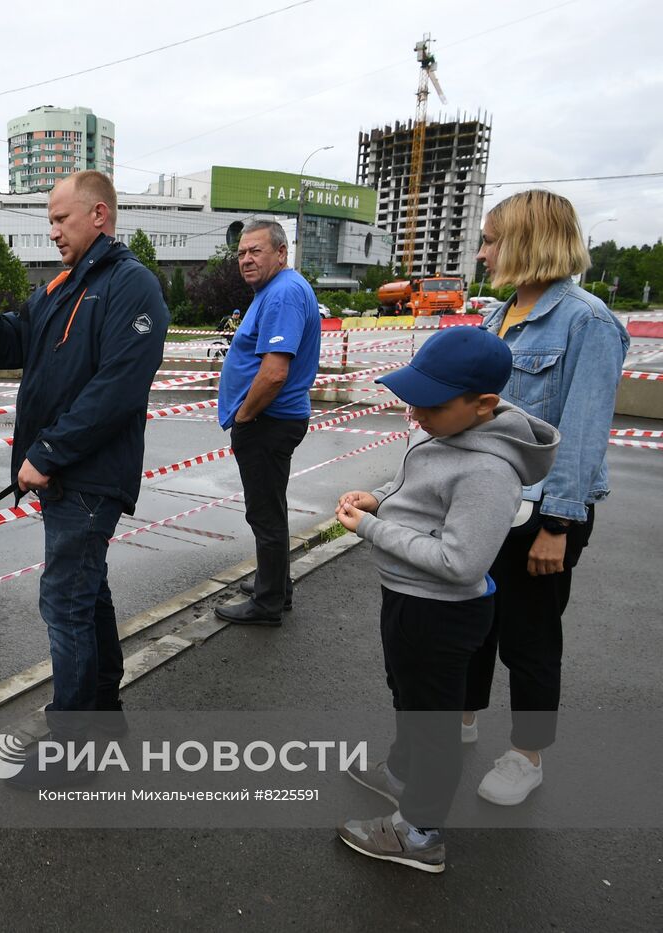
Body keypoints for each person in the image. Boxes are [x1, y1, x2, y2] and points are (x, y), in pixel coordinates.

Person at [0, 170, 168, 777]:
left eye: (60, 219)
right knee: (86, 595)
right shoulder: (58, 290)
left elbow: (118, 389)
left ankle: (73, 747)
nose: (52, 232)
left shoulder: (132, 287)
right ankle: (102, 719)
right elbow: (4, 347)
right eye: (50, 221)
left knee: (65, 605)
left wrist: (46, 455)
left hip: (88, 478)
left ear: (99, 215)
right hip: (63, 477)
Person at [335, 326, 559, 873]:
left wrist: (370, 528)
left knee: (433, 724)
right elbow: (416, 490)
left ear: (483, 405)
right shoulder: (443, 429)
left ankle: (420, 833)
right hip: (409, 598)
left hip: (442, 610)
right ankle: (401, 774)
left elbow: (462, 562)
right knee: (409, 697)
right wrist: (381, 499)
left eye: (429, 404)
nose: (415, 413)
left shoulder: (488, 470)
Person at [462, 190, 629, 806]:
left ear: (526, 241)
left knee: (529, 636)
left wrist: (559, 522)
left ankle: (526, 755)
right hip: (482, 501)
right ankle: (461, 717)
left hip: (540, 512)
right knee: (472, 620)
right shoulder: (494, 318)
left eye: (491, 240)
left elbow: (582, 435)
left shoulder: (587, 321)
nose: (482, 253)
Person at [214, 221, 322, 624]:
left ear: (281, 253)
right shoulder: (275, 291)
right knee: (270, 509)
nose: (245, 259)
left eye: (255, 251)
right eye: (242, 253)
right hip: (271, 419)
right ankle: (275, 583)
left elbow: (275, 372)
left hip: (267, 420)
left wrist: (244, 415)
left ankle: (268, 602)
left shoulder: (283, 294)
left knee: (264, 514)